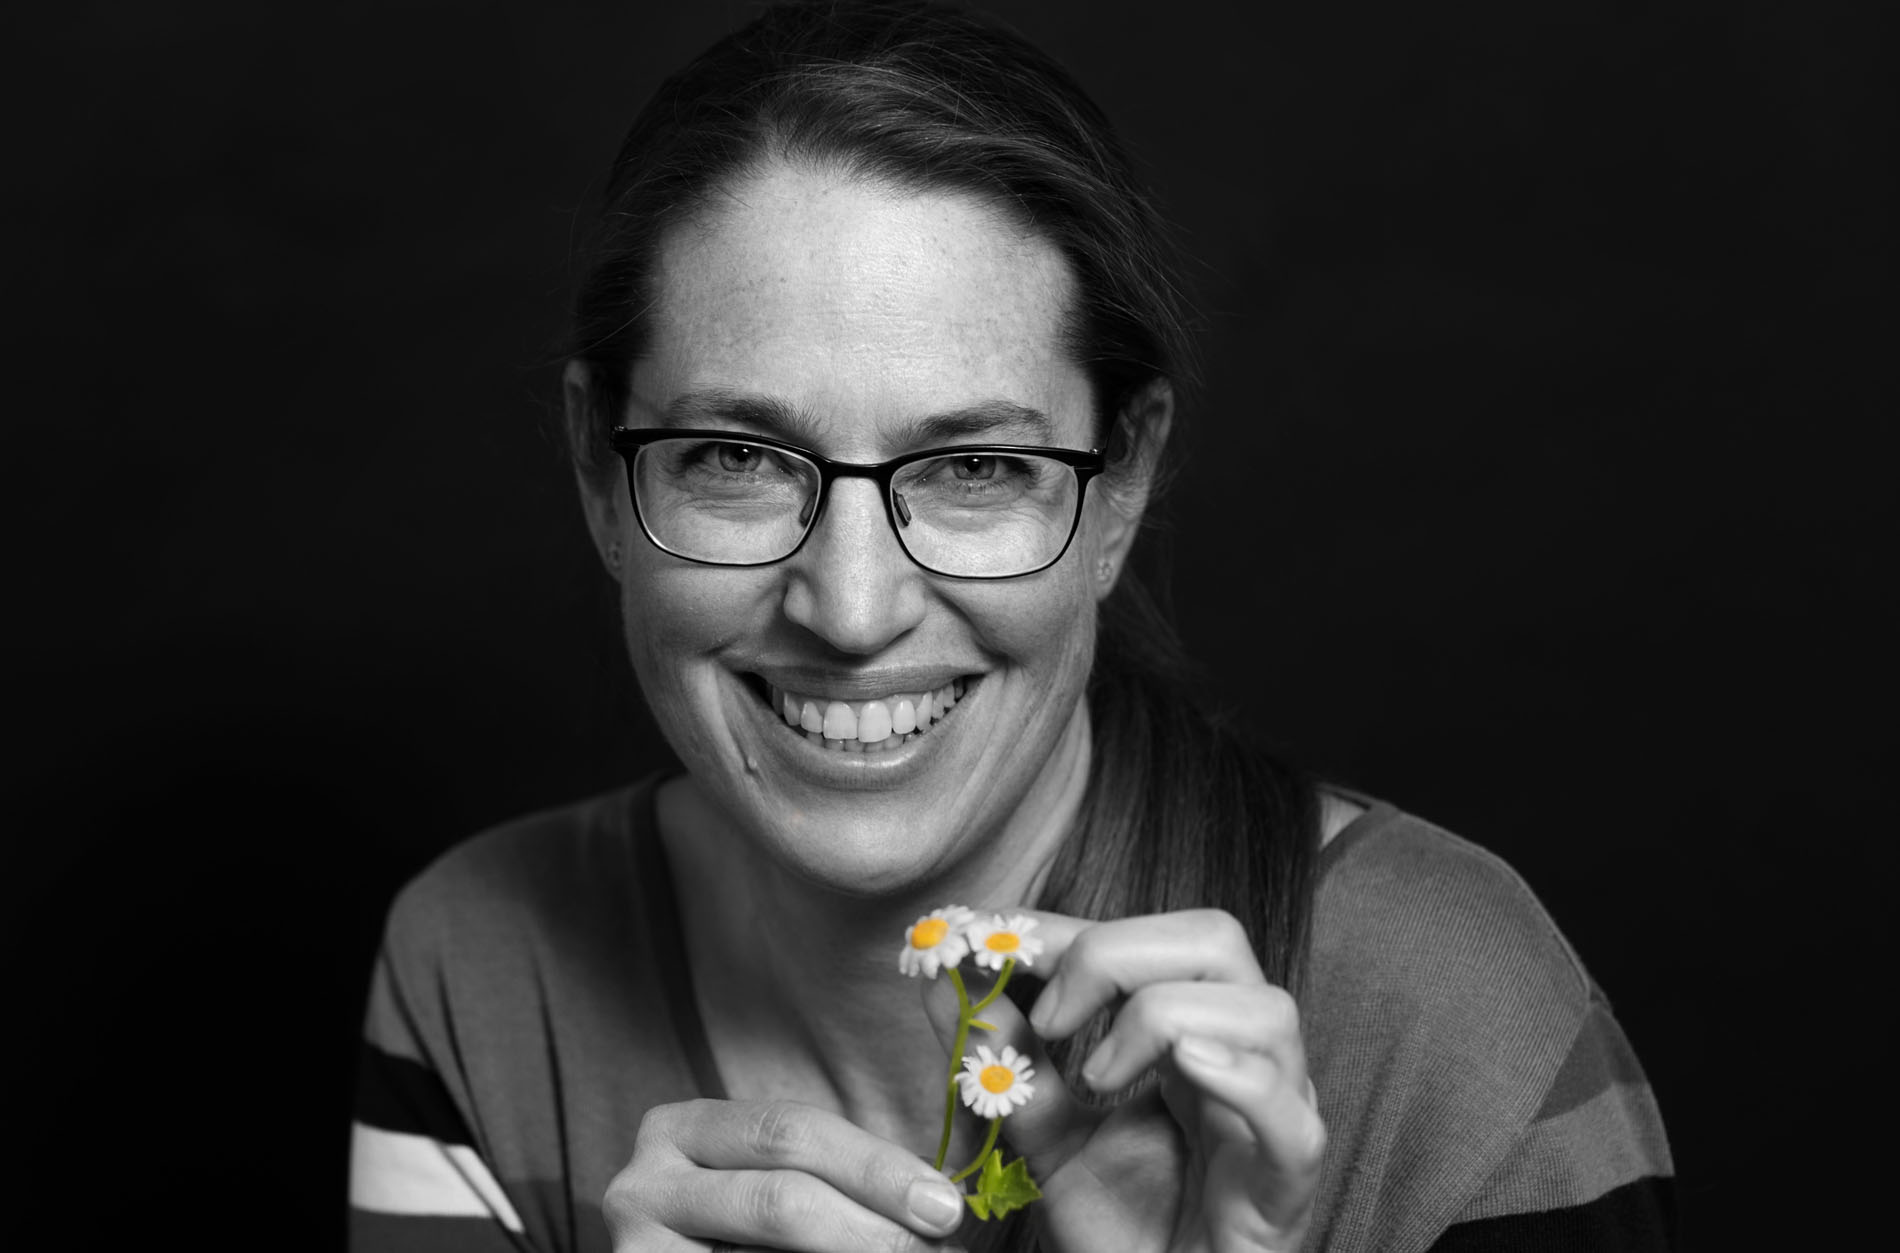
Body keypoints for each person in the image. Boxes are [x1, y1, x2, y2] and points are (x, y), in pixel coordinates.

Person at [346, 2, 1675, 1249]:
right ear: (600, 470)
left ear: (1121, 485)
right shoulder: (480, 975)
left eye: (975, 468)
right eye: (738, 458)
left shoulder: (1454, 1022)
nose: (852, 609)